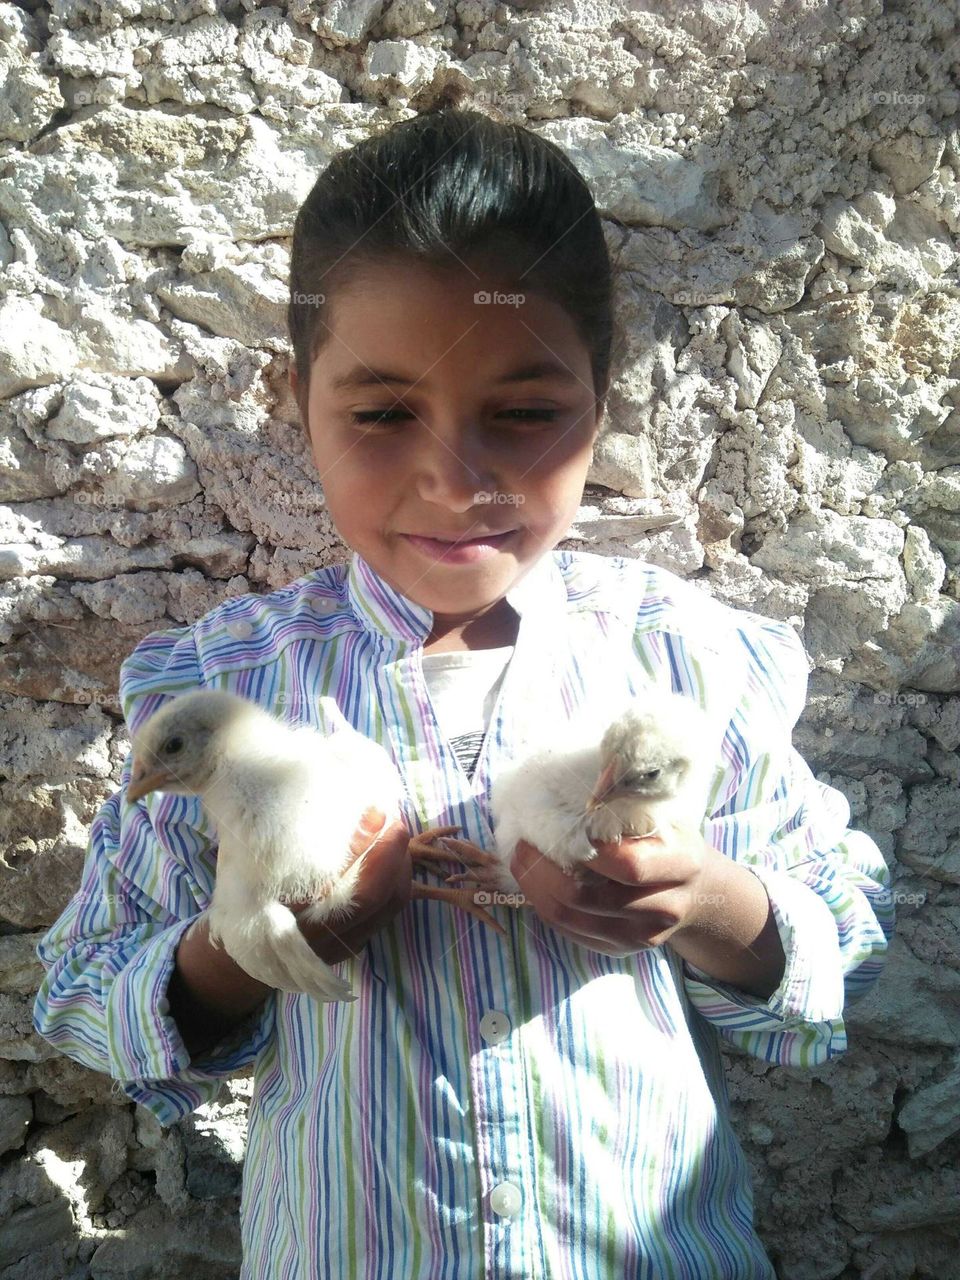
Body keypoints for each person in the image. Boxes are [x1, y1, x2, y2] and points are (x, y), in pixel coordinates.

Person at [34, 95, 894, 1279]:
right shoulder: (222, 690)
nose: (456, 476)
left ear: (603, 395)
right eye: (384, 410)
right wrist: (257, 940)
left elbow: (838, 929)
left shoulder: (687, 656)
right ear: (298, 400)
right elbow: (86, 991)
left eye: (525, 412)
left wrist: (705, 904)